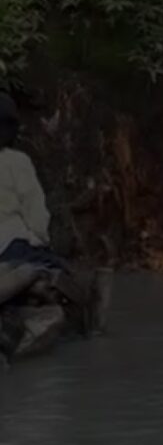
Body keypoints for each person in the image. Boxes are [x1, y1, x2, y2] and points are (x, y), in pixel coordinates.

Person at [0, 92, 109, 334]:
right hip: (11, 246)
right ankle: (87, 325)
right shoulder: (16, 162)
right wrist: (42, 241)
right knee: (63, 272)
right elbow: (36, 212)